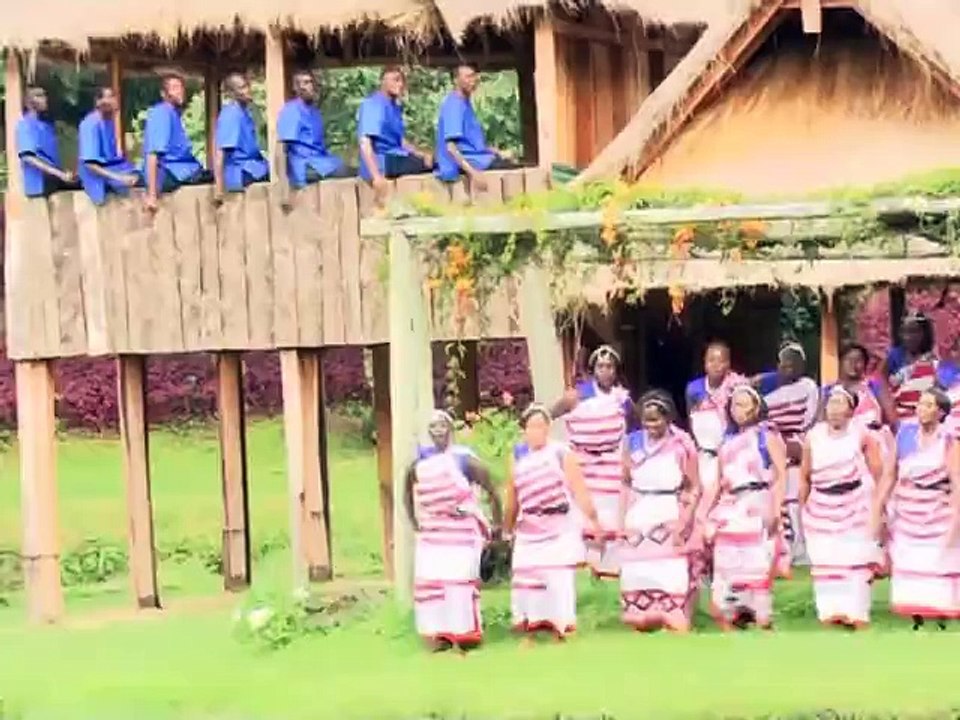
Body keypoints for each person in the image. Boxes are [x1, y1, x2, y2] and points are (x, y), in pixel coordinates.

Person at [404, 410, 502, 652]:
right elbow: (407, 492)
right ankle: (438, 636)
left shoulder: (464, 460)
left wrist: (497, 526)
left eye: (442, 425)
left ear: (450, 430)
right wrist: (415, 521)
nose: (438, 430)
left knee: (459, 583)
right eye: (433, 426)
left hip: (461, 533)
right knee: (432, 584)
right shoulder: (421, 463)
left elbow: (492, 490)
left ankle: (464, 636)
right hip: (433, 534)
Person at [504, 404, 601, 641]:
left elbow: (579, 489)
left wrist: (593, 520)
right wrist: (507, 528)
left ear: (547, 428)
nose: (536, 431)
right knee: (528, 578)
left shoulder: (561, 452)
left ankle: (562, 628)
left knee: (558, 579)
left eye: (540, 426)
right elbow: (512, 496)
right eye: (531, 426)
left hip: (559, 524)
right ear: (524, 430)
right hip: (529, 526)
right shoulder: (518, 456)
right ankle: (531, 628)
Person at [875, 388, 960, 629]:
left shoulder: (949, 442)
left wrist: (955, 520)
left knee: (937, 562)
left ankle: (941, 618)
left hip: (937, 510)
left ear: (940, 412)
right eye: (920, 404)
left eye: (929, 405)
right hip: (907, 510)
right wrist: (879, 505)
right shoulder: (904, 434)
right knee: (909, 561)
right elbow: (890, 474)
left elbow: (956, 482)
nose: (922, 409)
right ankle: (916, 618)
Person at [704, 385, 787, 630]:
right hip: (731, 506)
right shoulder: (726, 442)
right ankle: (731, 615)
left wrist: (776, 509)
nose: (737, 410)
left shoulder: (766, 435)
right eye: (734, 405)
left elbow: (780, 474)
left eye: (743, 404)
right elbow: (717, 482)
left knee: (758, 562)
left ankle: (761, 617)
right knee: (728, 563)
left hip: (758, 499)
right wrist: (704, 514)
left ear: (756, 407)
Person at [799, 385, 883, 629]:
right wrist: (803, 507)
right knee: (826, 560)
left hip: (854, 503)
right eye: (831, 403)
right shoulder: (813, 436)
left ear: (851, 409)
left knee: (855, 560)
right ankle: (830, 613)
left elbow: (878, 473)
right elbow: (805, 476)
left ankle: (857, 614)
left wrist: (881, 507)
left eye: (840, 403)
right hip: (821, 505)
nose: (834, 409)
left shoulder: (862, 435)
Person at [619, 391, 701, 632]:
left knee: (669, 569)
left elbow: (693, 486)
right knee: (638, 570)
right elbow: (625, 482)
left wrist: (685, 519)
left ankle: (672, 615)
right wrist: (622, 520)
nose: (651, 425)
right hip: (639, 511)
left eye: (656, 420)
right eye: (647, 420)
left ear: (668, 418)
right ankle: (641, 614)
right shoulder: (631, 442)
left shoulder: (682, 443)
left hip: (668, 510)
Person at [552, 345, 633, 579]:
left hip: (611, 468)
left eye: (610, 367)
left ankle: (609, 569)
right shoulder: (577, 396)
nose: (605, 371)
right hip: (584, 467)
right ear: (593, 370)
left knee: (610, 517)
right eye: (601, 366)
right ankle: (585, 568)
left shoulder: (622, 399)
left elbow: (636, 427)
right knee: (583, 516)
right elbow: (548, 414)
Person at [755, 342, 820, 576]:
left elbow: (811, 419)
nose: (788, 367)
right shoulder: (769, 394)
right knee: (779, 501)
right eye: (784, 363)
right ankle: (784, 549)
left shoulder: (808, 387)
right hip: (775, 449)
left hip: (798, 447)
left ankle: (802, 547)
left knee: (798, 499)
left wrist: (799, 444)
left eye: (794, 363)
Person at [275, 70, 351, 206]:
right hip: (305, 165)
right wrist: (283, 186)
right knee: (347, 170)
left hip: (321, 161)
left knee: (351, 168)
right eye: (304, 83)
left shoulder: (315, 112)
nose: (308, 86)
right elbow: (281, 148)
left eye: (310, 82)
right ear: (296, 87)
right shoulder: (291, 110)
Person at [434, 64, 517, 188]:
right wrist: (473, 173)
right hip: (467, 163)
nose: (472, 81)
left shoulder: (465, 103)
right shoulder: (453, 106)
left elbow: (473, 145)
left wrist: (499, 152)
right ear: (456, 80)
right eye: (468, 77)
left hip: (478, 158)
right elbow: (451, 147)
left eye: (474, 77)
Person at [357, 66, 432, 198]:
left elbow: (400, 141)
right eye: (396, 80)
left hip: (395, 156)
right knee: (430, 165)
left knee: (431, 161)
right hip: (382, 162)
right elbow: (365, 142)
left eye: (402, 81)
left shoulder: (395, 107)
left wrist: (421, 154)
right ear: (383, 81)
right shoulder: (372, 105)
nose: (400, 84)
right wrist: (376, 176)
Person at [685, 341, 745, 501]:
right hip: (704, 453)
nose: (716, 365)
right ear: (704, 363)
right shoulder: (693, 389)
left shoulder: (736, 387)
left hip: (728, 453)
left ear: (729, 364)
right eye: (711, 360)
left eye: (721, 361)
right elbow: (691, 418)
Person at [142, 73, 210, 212]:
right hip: (168, 172)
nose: (179, 91)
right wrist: (152, 195)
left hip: (182, 169)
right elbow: (153, 153)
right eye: (174, 88)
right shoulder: (161, 113)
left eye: (181, 87)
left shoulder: (174, 113)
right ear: (163, 93)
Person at [881, 311, 955, 422]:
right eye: (905, 331)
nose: (908, 336)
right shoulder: (894, 355)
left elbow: (944, 389)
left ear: (924, 333)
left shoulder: (935, 357)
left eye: (914, 331)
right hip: (900, 415)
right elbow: (879, 382)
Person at [77, 86, 139, 205]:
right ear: (98, 102)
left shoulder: (108, 122)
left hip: (112, 168)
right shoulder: (90, 124)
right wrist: (119, 177)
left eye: (114, 97)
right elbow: (90, 164)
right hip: (95, 176)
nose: (114, 101)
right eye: (110, 97)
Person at [16, 85, 80, 198]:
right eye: (39, 96)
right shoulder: (25, 125)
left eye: (44, 95)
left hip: (54, 178)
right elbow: (28, 157)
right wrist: (59, 174)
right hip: (40, 182)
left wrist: (64, 173)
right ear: (28, 102)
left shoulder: (47, 127)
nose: (44, 99)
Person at [213, 73, 269, 201]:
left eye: (247, 86)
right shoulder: (231, 114)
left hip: (254, 166)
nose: (247, 90)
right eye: (242, 88)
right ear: (232, 93)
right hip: (240, 171)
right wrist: (219, 188)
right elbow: (220, 151)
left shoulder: (247, 112)